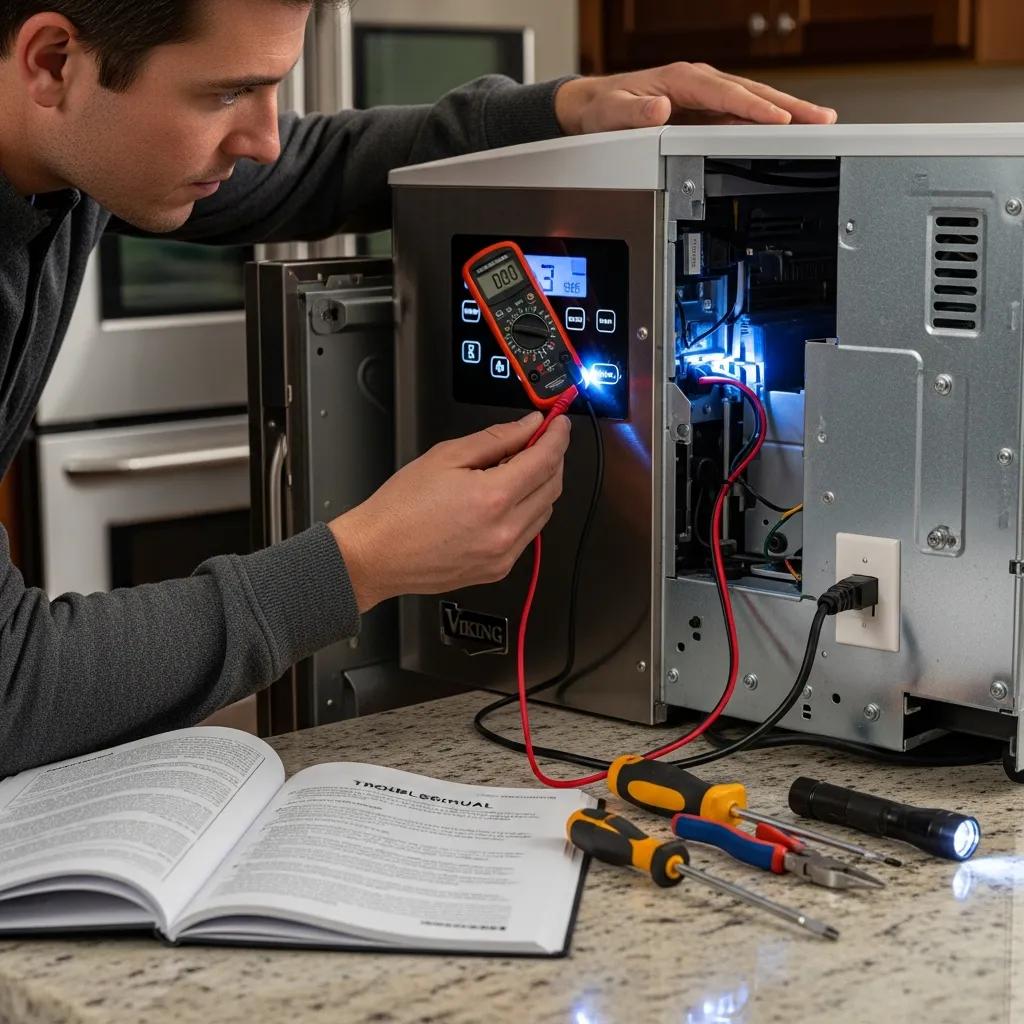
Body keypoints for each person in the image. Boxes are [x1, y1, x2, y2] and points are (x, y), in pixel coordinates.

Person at [0, 0, 837, 777]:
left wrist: (562, 111)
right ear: (53, 62)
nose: (261, 137)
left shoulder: (78, 154)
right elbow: (14, 689)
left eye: (271, 91)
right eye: (227, 93)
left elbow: (313, 164)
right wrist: (362, 561)